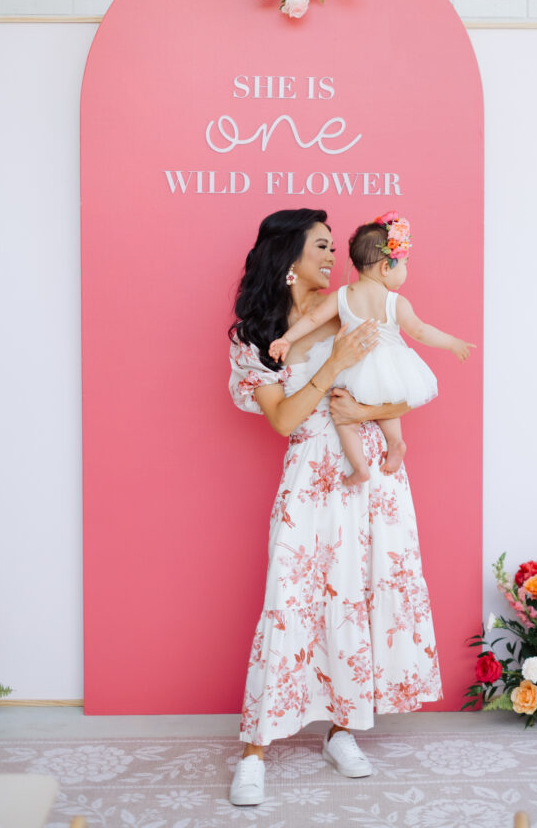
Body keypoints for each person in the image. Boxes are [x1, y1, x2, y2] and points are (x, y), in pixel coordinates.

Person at [228, 208, 443, 807]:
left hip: (370, 471)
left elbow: (403, 387)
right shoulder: (257, 336)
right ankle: (255, 750)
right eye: (320, 247)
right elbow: (284, 419)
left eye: (332, 248)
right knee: (290, 601)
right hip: (309, 472)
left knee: (364, 593)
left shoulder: (360, 307)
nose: (332, 257)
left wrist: (366, 415)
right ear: (288, 259)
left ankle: (342, 730)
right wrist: (333, 367)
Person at [269, 212, 474, 484]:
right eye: (405, 264)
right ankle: (395, 443)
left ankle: (359, 468)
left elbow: (313, 320)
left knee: (342, 417)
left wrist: (287, 339)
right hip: (384, 363)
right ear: (386, 268)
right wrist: (452, 342)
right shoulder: (394, 302)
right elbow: (420, 331)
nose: (406, 271)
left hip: (353, 364)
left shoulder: (342, 296)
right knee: (383, 396)